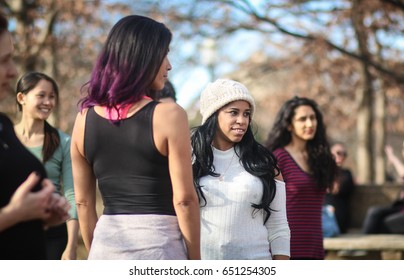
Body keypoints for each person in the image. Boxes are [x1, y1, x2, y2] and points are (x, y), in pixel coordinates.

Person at [70, 15, 200, 260]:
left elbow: (83, 203)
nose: (169, 65)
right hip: (158, 248)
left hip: (105, 248)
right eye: (164, 55)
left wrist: (96, 253)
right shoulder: (169, 115)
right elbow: (184, 200)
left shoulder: (83, 120)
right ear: (144, 56)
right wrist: (195, 263)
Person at [191, 78, 290, 260]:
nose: (242, 120)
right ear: (213, 114)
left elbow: (279, 226)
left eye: (246, 114)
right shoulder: (190, 159)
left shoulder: (264, 162)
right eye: (234, 112)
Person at [0, 12, 70, 260]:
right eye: (4, 60)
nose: (12, 71)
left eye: (52, 96)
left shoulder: (3, 127)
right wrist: (15, 213)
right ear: (22, 99)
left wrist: (43, 216)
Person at [14, 71, 79, 260]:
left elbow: (71, 195)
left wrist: (71, 246)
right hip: (12, 230)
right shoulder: (6, 137)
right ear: (22, 97)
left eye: (52, 97)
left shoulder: (63, 142)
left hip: (53, 236)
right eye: (41, 95)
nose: (48, 102)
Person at [265, 96, 338, 260]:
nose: (310, 124)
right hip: (288, 246)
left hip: (315, 243)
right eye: (302, 119)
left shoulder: (320, 158)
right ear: (289, 125)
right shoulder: (278, 158)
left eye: (313, 118)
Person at [361, 143, 404, 234]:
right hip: (400, 208)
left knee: (379, 224)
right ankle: (363, 244)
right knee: (374, 212)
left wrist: (393, 158)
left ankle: (364, 245)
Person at [324, 141, 355, 234]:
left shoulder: (346, 174)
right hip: (322, 214)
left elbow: (335, 190)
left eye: (344, 154)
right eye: (338, 153)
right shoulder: (322, 171)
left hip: (337, 218)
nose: (341, 156)